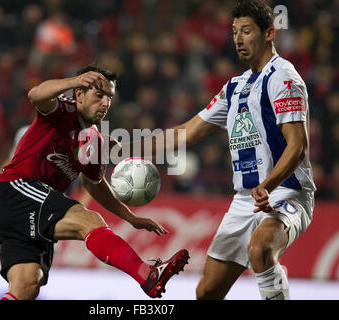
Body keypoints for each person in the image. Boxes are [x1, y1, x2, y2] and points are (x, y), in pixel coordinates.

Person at [129, 0, 316, 300]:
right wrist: (125, 148)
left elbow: (298, 147)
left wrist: (267, 186)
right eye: (234, 32)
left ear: (269, 33)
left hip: (286, 192)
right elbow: (186, 133)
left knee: (261, 249)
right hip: (245, 199)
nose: (238, 39)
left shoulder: (283, 77)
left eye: (246, 31)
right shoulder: (234, 87)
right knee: (207, 292)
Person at [0, 65, 189, 300]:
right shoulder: (62, 110)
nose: (105, 103)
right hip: (17, 190)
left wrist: (130, 217)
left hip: (27, 211)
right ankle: (148, 274)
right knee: (89, 221)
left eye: (109, 97)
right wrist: (74, 80)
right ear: (80, 94)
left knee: (28, 285)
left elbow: (94, 185)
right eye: (99, 95)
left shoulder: (96, 141)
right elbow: (35, 95)